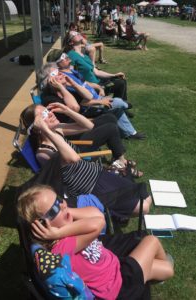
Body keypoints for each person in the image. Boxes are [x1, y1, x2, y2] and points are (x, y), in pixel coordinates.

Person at [17, 185, 174, 300]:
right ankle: (144, 276)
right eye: (54, 210)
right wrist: (59, 232)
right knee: (151, 240)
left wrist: (65, 211)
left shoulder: (67, 231)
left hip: (115, 271)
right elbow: (98, 224)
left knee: (167, 269)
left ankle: (148, 274)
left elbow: (97, 214)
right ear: (42, 225)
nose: (63, 205)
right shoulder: (61, 247)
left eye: (59, 200)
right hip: (119, 286)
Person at [20, 102, 152, 217]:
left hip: (98, 173)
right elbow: (73, 158)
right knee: (144, 207)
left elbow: (88, 126)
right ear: (36, 126)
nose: (50, 114)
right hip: (90, 187)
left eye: (47, 110)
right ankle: (113, 211)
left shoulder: (57, 130)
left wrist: (67, 110)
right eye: (43, 115)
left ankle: (118, 212)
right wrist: (45, 130)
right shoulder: (43, 152)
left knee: (145, 196)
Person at [38, 61, 146, 140]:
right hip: (79, 122)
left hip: (85, 112)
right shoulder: (50, 97)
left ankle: (130, 133)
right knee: (116, 105)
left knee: (115, 107)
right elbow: (75, 108)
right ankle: (125, 107)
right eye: (54, 74)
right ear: (49, 81)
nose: (60, 73)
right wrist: (62, 87)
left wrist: (72, 83)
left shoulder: (67, 86)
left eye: (58, 71)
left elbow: (89, 96)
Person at [65, 31, 129, 102]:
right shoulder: (71, 55)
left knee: (121, 79)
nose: (78, 34)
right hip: (91, 88)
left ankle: (120, 105)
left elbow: (96, 72)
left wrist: (114, 75)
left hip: (99, 82)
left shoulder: (85, 56)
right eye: (74, 34)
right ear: (71, 42)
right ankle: (122, 105)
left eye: (77, 32)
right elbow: (71, 75)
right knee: (121, 83)